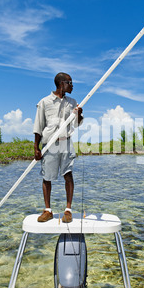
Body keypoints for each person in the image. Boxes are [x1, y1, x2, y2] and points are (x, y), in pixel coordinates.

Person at [33, 72, 83, 223]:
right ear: (61, 84)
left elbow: (76, 123)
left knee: (68, 175)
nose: (72, 85)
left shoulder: (72, 102)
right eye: (70, 82)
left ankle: (68, 210)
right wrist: (36, 148)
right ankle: (47, 210)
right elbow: (38, 125)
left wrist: (79, 114)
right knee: (47, 177)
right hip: (49, 144)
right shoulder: (44, 102)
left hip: (66, 142)